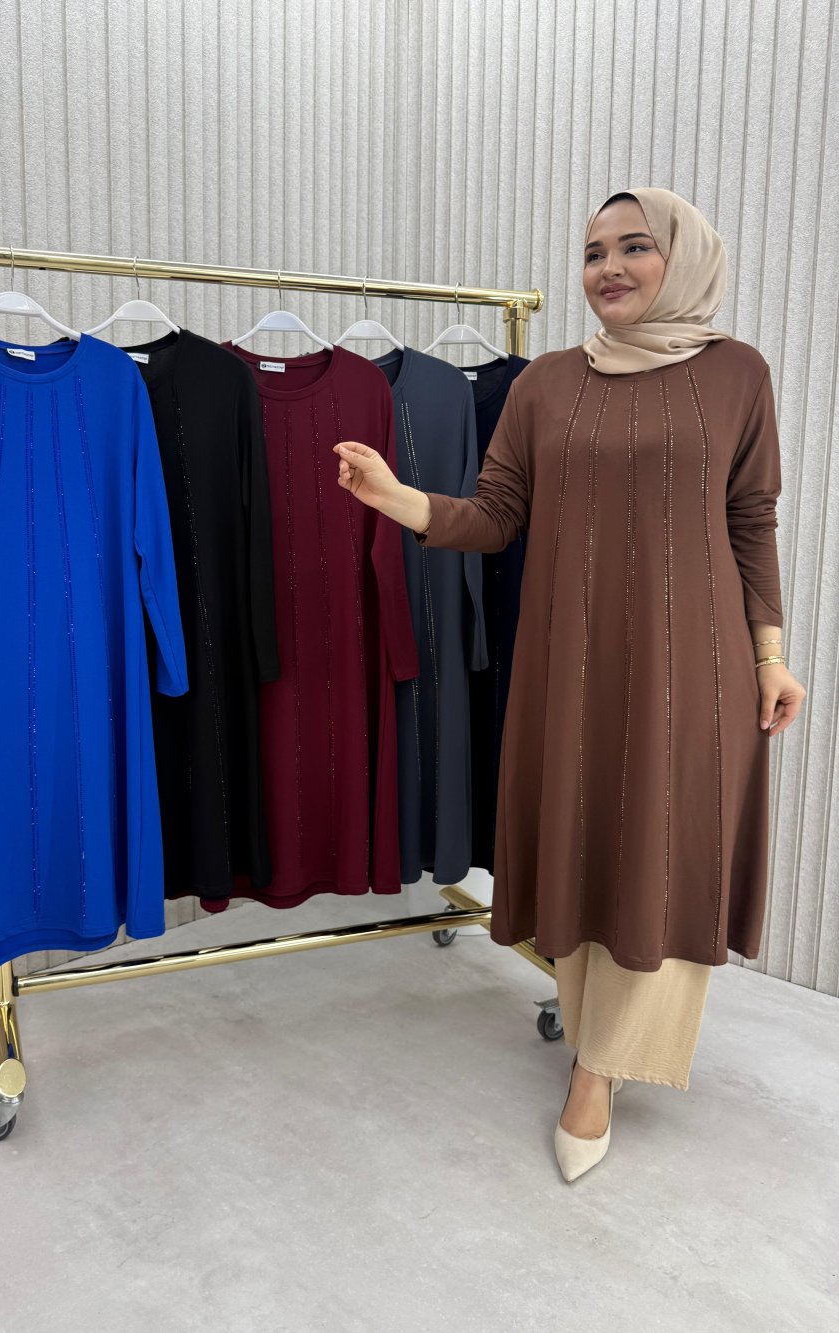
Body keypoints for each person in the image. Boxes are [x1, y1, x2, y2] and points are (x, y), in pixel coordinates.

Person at [333, 187, 807, 1182]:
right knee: (592, 838)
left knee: (663, 851)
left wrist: (770, 655)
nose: (609, 268)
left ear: (682, 257)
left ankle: (597, 1067)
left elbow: (750, 519)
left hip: (697, 665)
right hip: (573, 662)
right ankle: (598, 1034)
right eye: (593, 252)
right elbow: (496, 514)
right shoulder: (547, 383)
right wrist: (400, 499)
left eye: (634, 247)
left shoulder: (737, 374)